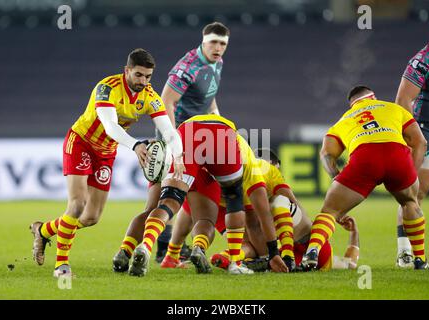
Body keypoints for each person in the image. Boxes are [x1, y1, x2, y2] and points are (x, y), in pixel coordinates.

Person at [29, 48, 184, 277]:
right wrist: (135, 145)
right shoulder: (107, 88)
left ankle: (43, 230)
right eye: (139, 75)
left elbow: (169, 131)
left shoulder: (149, 97)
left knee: (91, 217)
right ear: (127, 71)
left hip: (106, 152)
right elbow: (110, 126)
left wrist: (178, 155)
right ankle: (61, 264)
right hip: (81, 143)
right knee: (77, 204)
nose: (143, 81)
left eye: (148, 76)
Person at [113, 21, 230, 268]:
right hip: (184, 143)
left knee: (159, 206)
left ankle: (130, 252)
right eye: (213, 42)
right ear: (203, 40)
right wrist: (173, 144)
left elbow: (208, 96)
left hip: (199, 140)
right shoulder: (187, 67)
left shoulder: (216, 63)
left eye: (222, 43)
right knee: (197, 208)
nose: (218, 48)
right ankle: (172, 251)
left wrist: (218, 121)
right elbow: (166, 102)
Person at [127, 114, 288, 276]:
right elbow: (262, 214)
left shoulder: (253, 165)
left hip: (187, 131)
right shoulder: (255, 170)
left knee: (172, 201)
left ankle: (149, 247)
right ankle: (234, 262)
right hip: (222, 133)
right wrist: (273, 253)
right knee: (232, 202)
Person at [300, 85, 429, 271]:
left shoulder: (343, 120)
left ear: (352, 104)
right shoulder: (393, 108)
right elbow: (420, 142)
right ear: (373, 97)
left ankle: (312, 252)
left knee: (330, 211)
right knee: (410, 203)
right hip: (396, 155)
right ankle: (420, 259)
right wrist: (411, 173)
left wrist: (337, 179)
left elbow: (326, 155)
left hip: (364, 158)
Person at [160, 146, 292, 274]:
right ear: (274, 164)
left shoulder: (240, 153)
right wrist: (270, 254)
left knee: (192, 206)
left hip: (200, 170)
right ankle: (228, 257)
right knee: (249, 243)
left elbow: (188, 210)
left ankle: (171, 255)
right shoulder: (261, 172)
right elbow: (257, 222)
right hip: (226, 199)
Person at [394, 15, 429, 267]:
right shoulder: (425, 60)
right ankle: (405, 252)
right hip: (428, 132)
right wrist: (415, 137)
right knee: (415, 194)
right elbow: (402, 101)